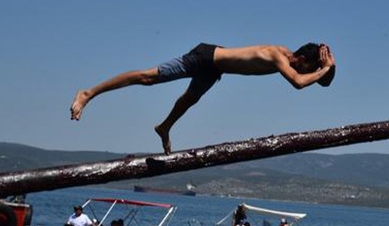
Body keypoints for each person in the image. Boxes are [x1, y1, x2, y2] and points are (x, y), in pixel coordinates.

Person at [70, 43, 336, 154]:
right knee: (148, 77)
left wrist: (325, 71)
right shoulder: (279, 55)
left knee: (189, 100)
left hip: (214, 68)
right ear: (301, 59)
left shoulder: (289, 60)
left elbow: (306, 79)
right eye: (308, 67)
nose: (306, 72)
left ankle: (164, 127)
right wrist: (322, 69)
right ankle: (88, 93)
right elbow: (298, 83)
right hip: (205, 58)